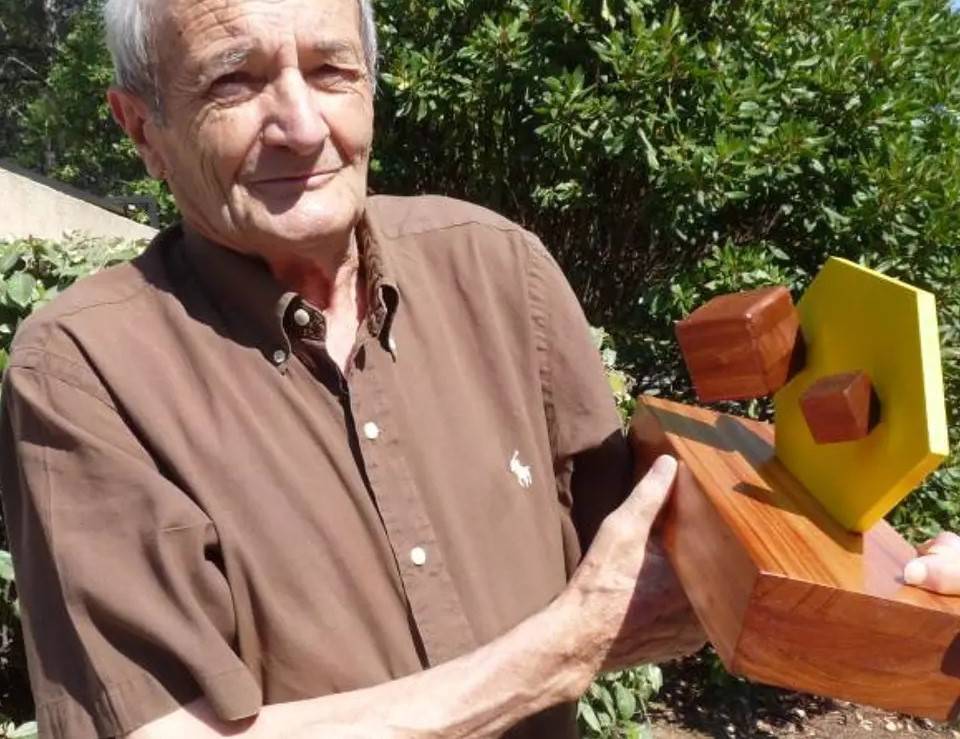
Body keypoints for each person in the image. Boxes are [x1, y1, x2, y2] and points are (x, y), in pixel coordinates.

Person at [0, 1, 955, 737]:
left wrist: (904, 575)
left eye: (332, 70)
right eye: (232, 84)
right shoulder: (85, 369)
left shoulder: (498, 268)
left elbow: (664, 554)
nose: (300, 125)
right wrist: (562, 650)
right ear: (141, 129)